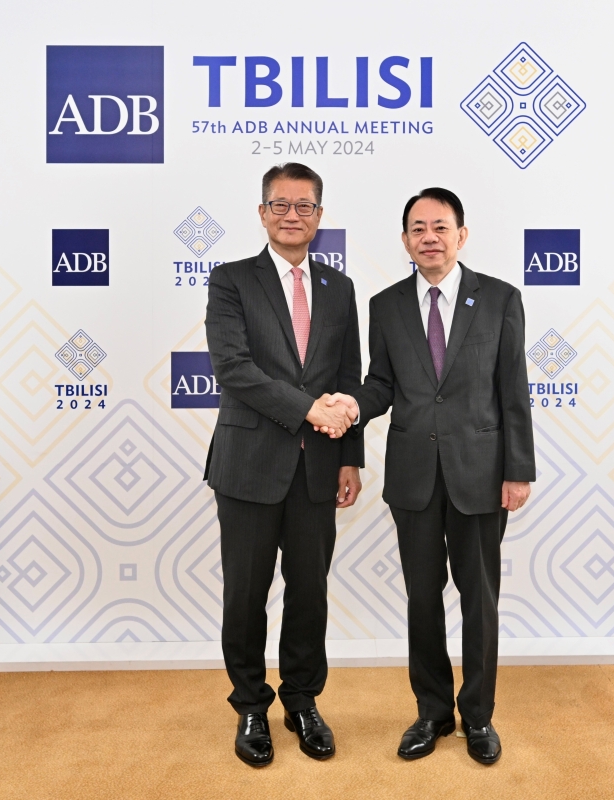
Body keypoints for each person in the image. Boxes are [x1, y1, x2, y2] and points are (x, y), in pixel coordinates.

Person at [323, 187, 535, 765]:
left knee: (480, 599)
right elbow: (382, 385)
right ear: (405, 240)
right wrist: (352, 406)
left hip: (481, 475)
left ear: (461, 235)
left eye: (440, 227)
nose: (429, 238)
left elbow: (513, 390)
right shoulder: (386, 305)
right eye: (418, 229)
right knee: (422, 598)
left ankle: (479, 716)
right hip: (414, 476)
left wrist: (518, 470)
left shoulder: (499, 299)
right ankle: (432, 711)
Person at [204, 162, 363, 767]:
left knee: (310, 592)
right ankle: (250, 704)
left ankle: (302, 700)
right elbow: (234, 369)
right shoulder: (231, 280)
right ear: (263, 212)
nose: (292, 215)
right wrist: (308, 409)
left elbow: (347, 376)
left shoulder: (339, 288)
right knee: (245, 594)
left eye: (304, 206)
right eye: (280, 205)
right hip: (247, 464)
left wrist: (349, 458)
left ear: (319, 216)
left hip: (319, 467)